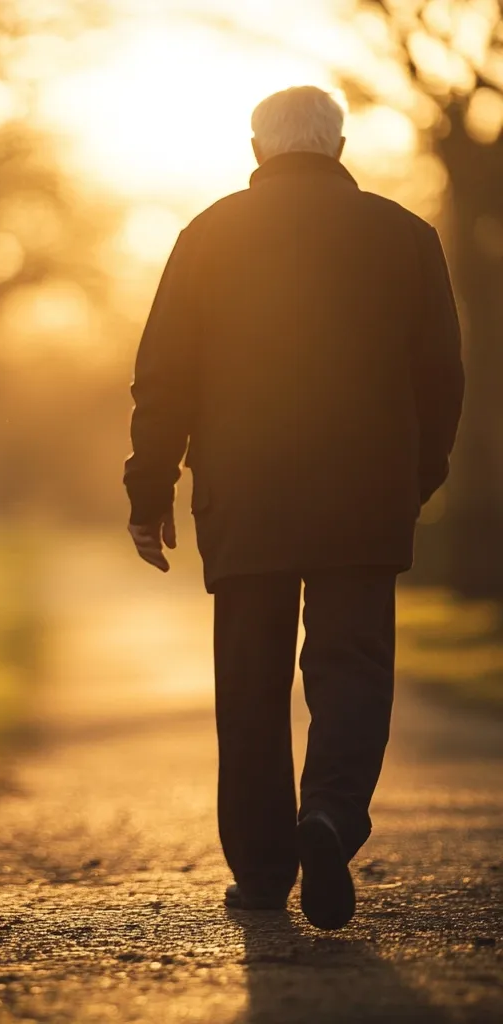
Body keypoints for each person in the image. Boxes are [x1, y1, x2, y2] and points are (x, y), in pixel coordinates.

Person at [123, 86, 464, 930]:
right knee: (351, 671)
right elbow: (443, 379)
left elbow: (165, 379)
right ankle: (331, 820)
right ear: (339, 145)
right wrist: (414, 479)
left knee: (250, 685)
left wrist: (150, 492)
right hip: (363, 496)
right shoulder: (406, 236)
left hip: (246, 496)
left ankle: (266, 871)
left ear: (257, 146)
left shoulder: (207, 236)